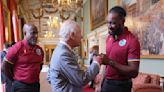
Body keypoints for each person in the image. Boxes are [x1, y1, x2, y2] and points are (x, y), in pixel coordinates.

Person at [47, 20, 103, 92]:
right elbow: (81, 79)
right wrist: (96, 63)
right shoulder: (63, 54)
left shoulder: (59, 50)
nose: (82, 36)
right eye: (80, 33)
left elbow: (49, 77)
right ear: (72, 35)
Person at [99, 6, 140, 92]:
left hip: (121, 86)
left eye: (113, 23)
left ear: (122, 21)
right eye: (108, 23)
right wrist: (100, 83)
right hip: (106, 83)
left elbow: (134, 71)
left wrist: (110, 62)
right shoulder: (108, 38)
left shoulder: (132, 41)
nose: (109, 26)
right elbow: (106, 66)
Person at [1, 23, 44, 92]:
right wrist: (14, 79)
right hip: (21, 86)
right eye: (32, 33)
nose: (36, 36)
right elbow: (4, 67)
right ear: (25, 33)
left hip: (35, 85)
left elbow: (40, 65)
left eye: (36, 33)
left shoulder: (39, 49)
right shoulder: (17, 48)